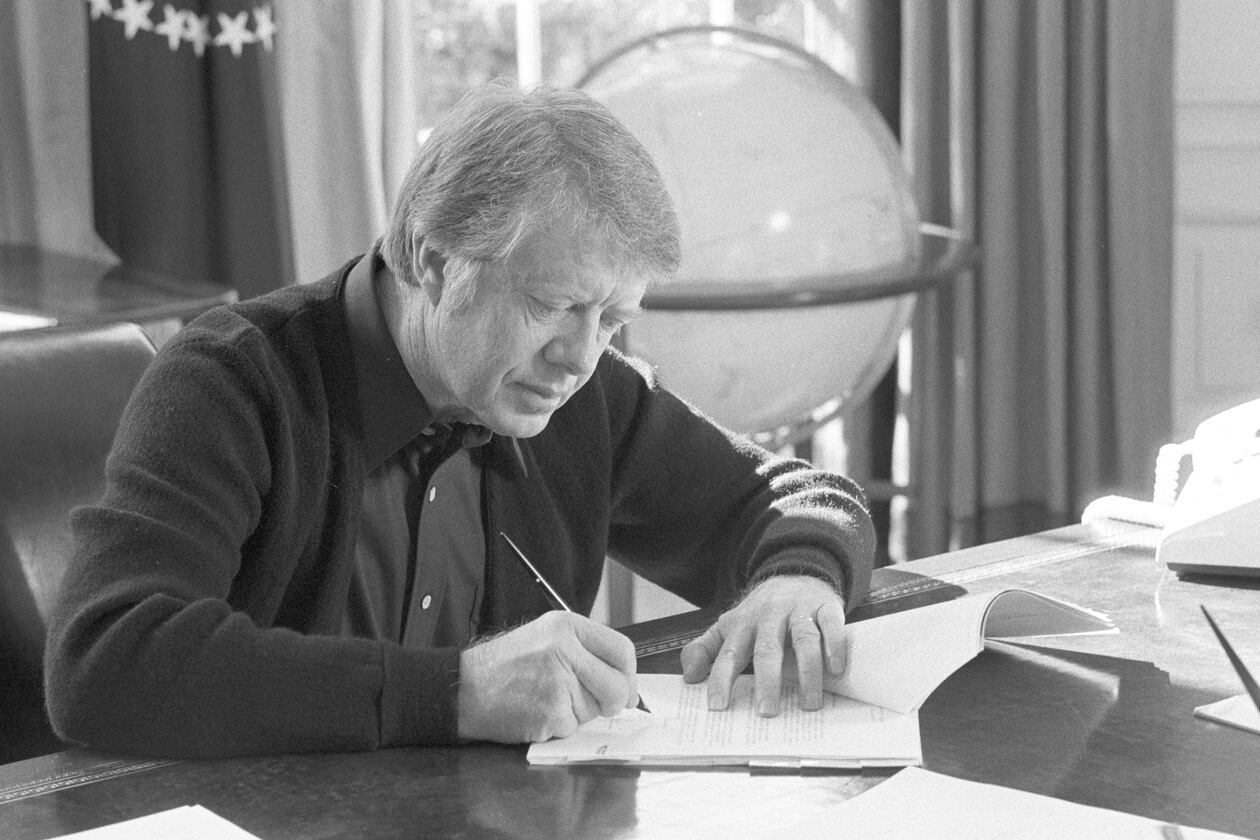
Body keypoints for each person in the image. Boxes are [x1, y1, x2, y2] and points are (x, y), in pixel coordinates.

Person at [44, 80, 875, 758]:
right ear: (435, 261)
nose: (580, 357)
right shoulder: (231, 381)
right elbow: (104, 661)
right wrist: (457, 693)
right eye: (552, 306)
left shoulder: (580, 393)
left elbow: (798, 498)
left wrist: (798, 578)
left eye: (613, 320)